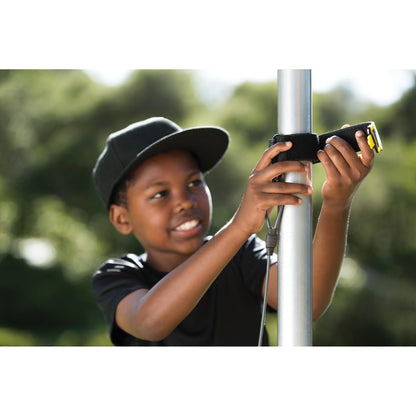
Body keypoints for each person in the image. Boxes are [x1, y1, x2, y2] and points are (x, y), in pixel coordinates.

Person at [92, 116, 374, 346]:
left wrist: (336, 205)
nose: (184, 202)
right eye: (159, 194)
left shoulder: (242, 255)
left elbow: (307, 303)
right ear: (121, 218)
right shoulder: (118, 275)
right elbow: (150, 322)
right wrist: (239, 225)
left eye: (193, 183)